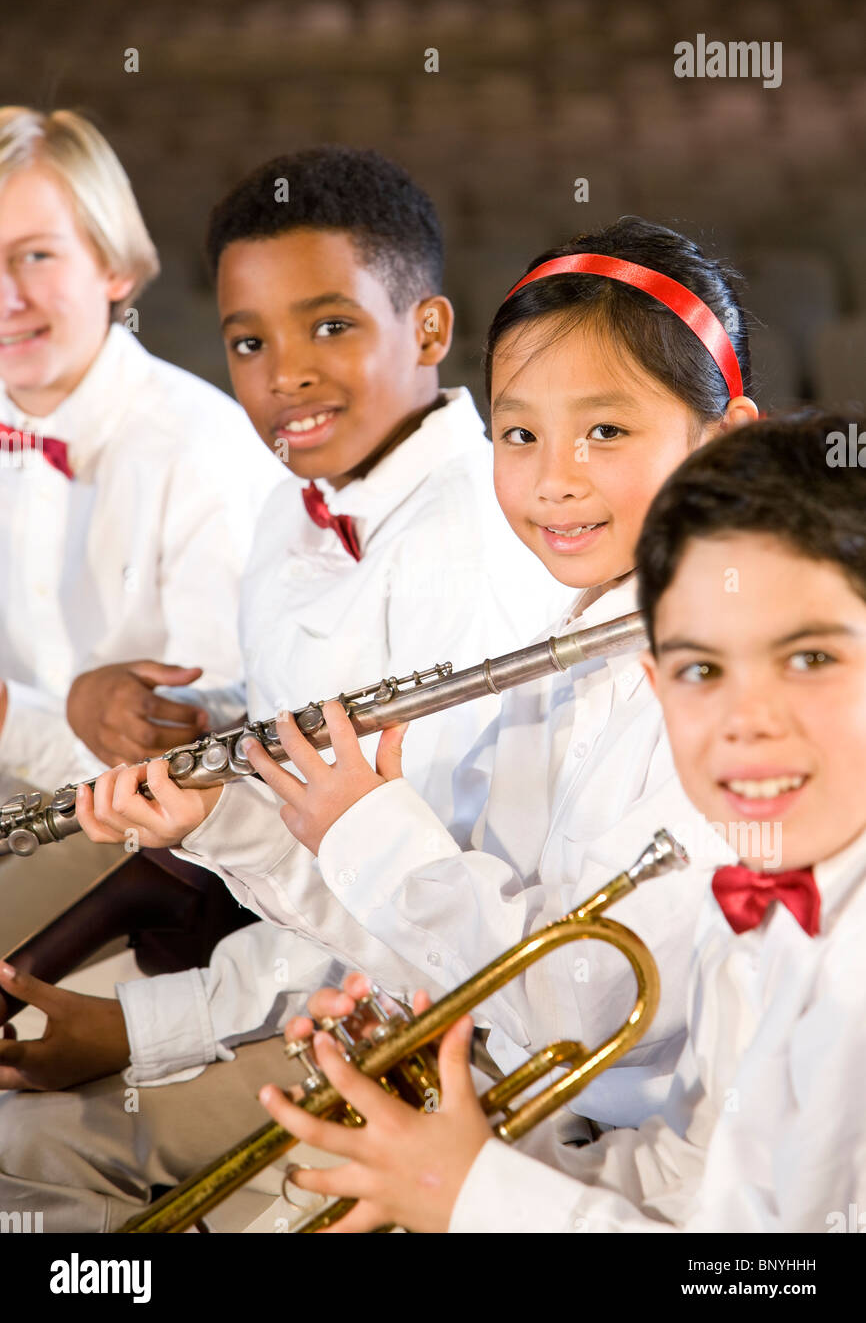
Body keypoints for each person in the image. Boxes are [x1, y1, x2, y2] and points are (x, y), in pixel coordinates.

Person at [76, 218, 758, 1136]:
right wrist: (234, 826)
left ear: (724, 444)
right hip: (519, 1114)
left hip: (635, 1175)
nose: (554, 479)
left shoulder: (742, 706)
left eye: (605, 429)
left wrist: (368, 826)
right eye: (520, 433)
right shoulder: (558, 669)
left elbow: (579, 1000)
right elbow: (437, 948)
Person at [0, 147, 566, 1231]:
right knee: (22, 1146)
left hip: (450, 1043)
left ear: (431, 333)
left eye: (332, 327)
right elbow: (307, 802)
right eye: (248, 343)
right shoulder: (290, 514)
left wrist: (149, 1006)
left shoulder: (483, 544)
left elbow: (407, 912)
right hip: (322, 983)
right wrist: (190, 723)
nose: (283, 374)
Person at [260, 411, 866, 1235]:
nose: (742, 720)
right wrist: (449, 1160)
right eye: (700, 669)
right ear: (656, 684)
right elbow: (702, 1187)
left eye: (810, 659)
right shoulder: (766, 890)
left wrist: (474, 1198)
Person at [0, 107, 283, 947]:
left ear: (114, 268)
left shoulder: (203, 452)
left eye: (36, 257)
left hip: (160, 865)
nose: (7, 298)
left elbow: (217, 768)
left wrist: (14, 721)